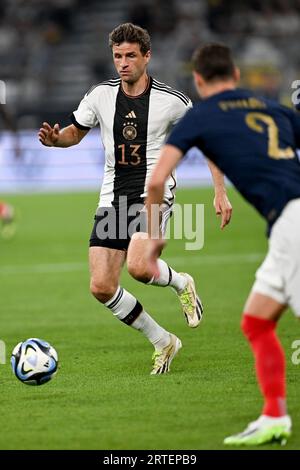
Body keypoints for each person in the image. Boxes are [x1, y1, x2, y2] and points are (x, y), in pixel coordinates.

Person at [38, 24, 232, 375]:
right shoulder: (99, 96)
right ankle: (163, 341)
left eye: (130, 55)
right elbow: (74, 133)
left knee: (140, 267)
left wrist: (220, 190)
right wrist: (56, 140)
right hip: (113, 195)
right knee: (101, 286)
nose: (123, 63)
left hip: (153, 191)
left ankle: (181, 282)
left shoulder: (171, 101)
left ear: (147, 56)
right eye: (117, 56)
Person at [146, 43, 300, 444]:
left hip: (292, 222)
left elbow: (157, 179)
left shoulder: (201, 117)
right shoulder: (272, 107)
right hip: (286, 222)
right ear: (235, 74)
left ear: (198, 80)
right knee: (257, 321)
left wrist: (155, 233)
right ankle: (274, 417)